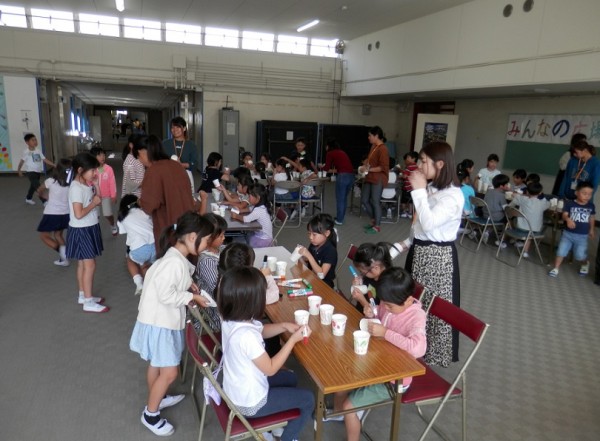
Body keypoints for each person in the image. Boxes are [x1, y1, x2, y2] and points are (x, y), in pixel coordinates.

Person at [130, 211, 213, 436]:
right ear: (192, 237)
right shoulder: (174, 263)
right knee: (170, 373)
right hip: (162, 324)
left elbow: (169, 282)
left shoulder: (173, 257)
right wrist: (192, 296)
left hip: (154, 320)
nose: (206, 245)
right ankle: (150, 414)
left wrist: (188, 285)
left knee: (156, 364)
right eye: (206, 240)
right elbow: (166, 294)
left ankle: (158, 396)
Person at [327, 268, 427, 441]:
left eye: (389, 306)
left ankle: (349, 420)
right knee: (341, 377)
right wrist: (371, 311)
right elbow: (381, 315)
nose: (385, 308)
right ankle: (338, 413)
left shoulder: (417, 316)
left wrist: (385, 332)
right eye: (384, 303)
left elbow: (418, 349)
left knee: (349, 406)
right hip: (378, 361)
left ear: (409, 300)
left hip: (395, 380)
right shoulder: (391, 302)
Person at [218, 266, 315, 441]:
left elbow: (261, 330)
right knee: (308, 399)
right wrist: (292, 340)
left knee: (291, 378)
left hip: (237, 390)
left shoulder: (231, 319)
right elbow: (270, 369)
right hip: (251, 404)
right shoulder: (246, 336)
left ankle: (276, 427)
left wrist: (284, 326)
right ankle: (288, 438)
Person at [405, 141, 463, 367]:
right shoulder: (433, 189)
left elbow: (428, 224)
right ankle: (413, 347)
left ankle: (430, 355)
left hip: (437, 258)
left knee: (433, 306)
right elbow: (419, 224)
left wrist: (419, 191)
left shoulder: (453, 196)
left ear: (440, 164)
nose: (419, 166)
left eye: (423, 161)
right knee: (416, 302)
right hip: (420, 251)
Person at [133, 135, 195, 251]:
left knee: (170, 258)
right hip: (188, 224)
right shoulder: (177, 166)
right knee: (187, 258)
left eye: (138, 156)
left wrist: (140, 201)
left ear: (142, 152)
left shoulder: (153, 171)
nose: (139, 160)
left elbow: (149, 206)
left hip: (169, 228)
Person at [65, 152, 108, 313]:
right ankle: (88, 302)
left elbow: (98, 199)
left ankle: (83, 295)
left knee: (83, 264)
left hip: (88, 227)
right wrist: (93, 204)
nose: (95, 173)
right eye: (92, 170)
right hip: (82, 230)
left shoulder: (85, 184)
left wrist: (96, 185)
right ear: (80, 170)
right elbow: (78, 213)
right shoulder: (76, 188)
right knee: (90, 265)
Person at [548, 182, 595, 277]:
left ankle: (585, 263)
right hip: (568, 234)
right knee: (561, 251)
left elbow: (592, 218)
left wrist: (591, 229)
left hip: (582, 236)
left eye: (590, 194)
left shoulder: (591, 206)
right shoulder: (570, 204)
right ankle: (556, 268)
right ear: (576, 193)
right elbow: (564, 215)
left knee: (579, 255)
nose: (587, 196)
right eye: (584, 193)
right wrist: (568, 219)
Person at [117, 194, 156, 295]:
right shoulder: (144, 212)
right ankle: (155, 286)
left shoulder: (122, 218)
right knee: (150, 264)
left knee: (130, 259)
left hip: (139, 250)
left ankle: (140, 284)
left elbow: (123, 232)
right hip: (155, 246)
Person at [194, 213, 227, 331]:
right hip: (217, 313)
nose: (224, 238)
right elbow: (220, 290)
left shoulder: (221, 249)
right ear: (208, 238)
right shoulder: (206, 261)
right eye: (221, 235)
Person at [36, 158, 72, 266]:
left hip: (52, 214)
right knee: (58, 235)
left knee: (44, 236)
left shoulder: (51, 181)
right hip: (65, 214)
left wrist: (44, 196)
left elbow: (39, 190)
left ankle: (63, 253)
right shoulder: (70, 183)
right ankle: (64, 260)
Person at [508, 182, 551, 258]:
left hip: (519, 228)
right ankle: (525, 251)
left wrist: (520, 195)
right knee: (529, 235)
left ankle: (513, 240)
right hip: (533, 230)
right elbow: (549, 204)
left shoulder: (522, 199)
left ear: (527, 191)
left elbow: (512, 202)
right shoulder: (542, 203)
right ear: (540, 192)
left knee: (519, 225)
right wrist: (542, 196)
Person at [361, 126, 390, 234]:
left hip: (378, 178)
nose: (368, 137)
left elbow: (383, 167)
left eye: (370, 135)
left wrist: (368, 169)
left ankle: (377, 226)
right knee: (364, 200)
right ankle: (374, 220)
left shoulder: (383, 149)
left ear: (376, 136)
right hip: (370, 177)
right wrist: (365, 166)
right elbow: (370, 162)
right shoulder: (373, 146)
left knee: (375, 201)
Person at [297, 213, 338, 288]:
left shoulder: (330, 251)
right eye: (309, 233)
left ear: (327, 233)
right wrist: (301, 256)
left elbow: (321, 275)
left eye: (314, 234)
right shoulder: (314, 245)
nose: (310, 237)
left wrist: (309, 256)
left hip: (324, 285)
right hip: (311, 279)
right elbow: (307, 265)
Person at [350, 242, 394, 312]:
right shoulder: (370, 276)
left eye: (363, 272)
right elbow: (366, 288)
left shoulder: (388, 288)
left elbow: (381, 315)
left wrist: (362, 301)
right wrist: (358, 285)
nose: (362, 274)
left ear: (376, 268)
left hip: (371, 316)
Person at [230, 183, 273, 248]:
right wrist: (239, 211)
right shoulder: (261, 205)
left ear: (257, 197)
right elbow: (249, 209)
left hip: (263, 240)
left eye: (249, 196)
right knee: (245, 235)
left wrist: (235, 216)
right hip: (264, 236)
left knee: (239, 241)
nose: (248, 198)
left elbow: (246, 219)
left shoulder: (259, 209)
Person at [323, 137, 354, 225]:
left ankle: (339, 220)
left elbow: (326, 168)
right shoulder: (342, 152)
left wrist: (321, 167)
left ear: (328, 146)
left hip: (342, 177)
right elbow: (343, 167)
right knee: (344, 198)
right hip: (351, 176)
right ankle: (341, 217)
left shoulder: (330, 153)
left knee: (340, 199)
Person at [17, 133, 55, 205]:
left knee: (33, 186)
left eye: (35, 140)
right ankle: (44, 201)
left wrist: (53, 165)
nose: (35, 141)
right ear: (27, 142)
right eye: (32, 140)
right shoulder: (26, 152)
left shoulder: (38, 150)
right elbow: (21, 161)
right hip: (30, 172)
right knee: (38, 186)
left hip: (38, 171)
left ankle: (28, 198)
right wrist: (19, 170)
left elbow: (44, 159)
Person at [162, 116, 198, 191]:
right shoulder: (165, 143)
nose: (175, 130)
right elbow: (159, 160)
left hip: (186, 174)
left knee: (186, 196)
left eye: (178, 127)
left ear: (184, 128)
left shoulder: (191, 145)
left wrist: (181, 165)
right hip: (168, 174)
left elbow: (194, 163)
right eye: (172, 127)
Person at [90, 146, 118, 236]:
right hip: (94, 196)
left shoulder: (108, 169)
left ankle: (113, 225)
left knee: (107, 214)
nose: (102, 157)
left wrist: (113, 195)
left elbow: (112, 182)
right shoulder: (91, 169)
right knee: (96, 216)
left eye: (103, 155)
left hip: (106, 196)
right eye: (99, 155)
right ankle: (95, 231)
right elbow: (88, 182)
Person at [483, 174, 510, 246]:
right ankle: (501, 239)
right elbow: (506, 208)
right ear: (501, 186)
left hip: (486, 215)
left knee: (494, 216)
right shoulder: (501, 195)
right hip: (496, 217)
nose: (508, 185)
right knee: (509, 220)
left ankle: (487, 231)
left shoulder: (489, 191)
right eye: (506, 184)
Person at [400, 151, 419, 218]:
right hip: (413, 187)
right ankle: (410, 213)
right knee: (411, 200)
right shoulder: (417, 167)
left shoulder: (409, 167)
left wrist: (400, 176)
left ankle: (404, 212)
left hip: (407, 187)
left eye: (408, 157)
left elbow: (405, 176)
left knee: (404, 200)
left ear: (414, 158)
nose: (407, 159)